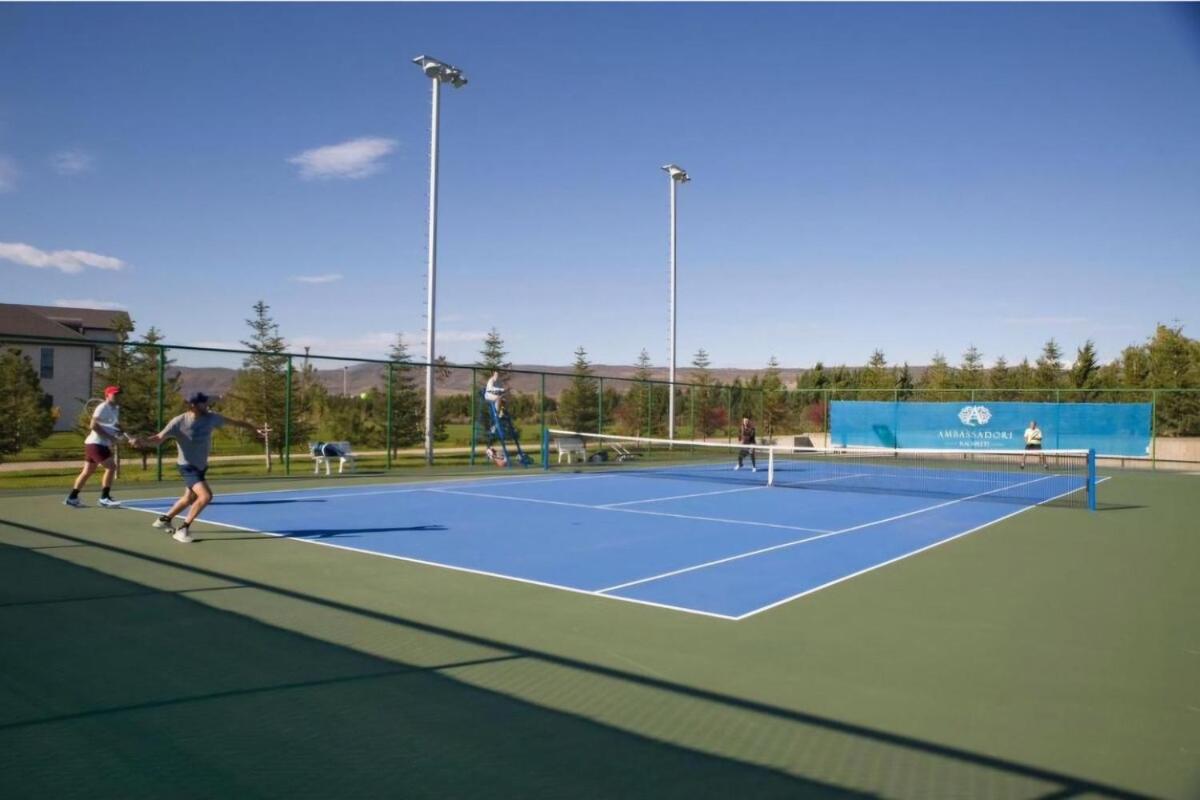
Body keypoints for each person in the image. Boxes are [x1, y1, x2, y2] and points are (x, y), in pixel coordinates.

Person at [130, 392, 263, 543]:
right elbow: (158, 438)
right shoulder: (178, 422)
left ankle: (164, 520)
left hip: (200, 466)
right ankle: (183, 529)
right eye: (203, 403)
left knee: (189, 498)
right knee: (206, 496)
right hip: (187, 466)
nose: (207, 405)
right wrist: (142, 441)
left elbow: (236, 423)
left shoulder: (212, 417)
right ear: (193, 405)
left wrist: (254, 429)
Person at [65, 385, 129, 508]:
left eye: (119, 394)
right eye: (115, 394)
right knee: (111, 467)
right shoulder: (102, 407)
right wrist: (109, 437)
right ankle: (104, 498)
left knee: (87, 472)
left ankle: (72, 498)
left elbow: (114, 425)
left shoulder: (116, 408)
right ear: (107, 395)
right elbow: (93, 425)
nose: (117, 396)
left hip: (96, 444)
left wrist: (122, 433)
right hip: (96, 444)